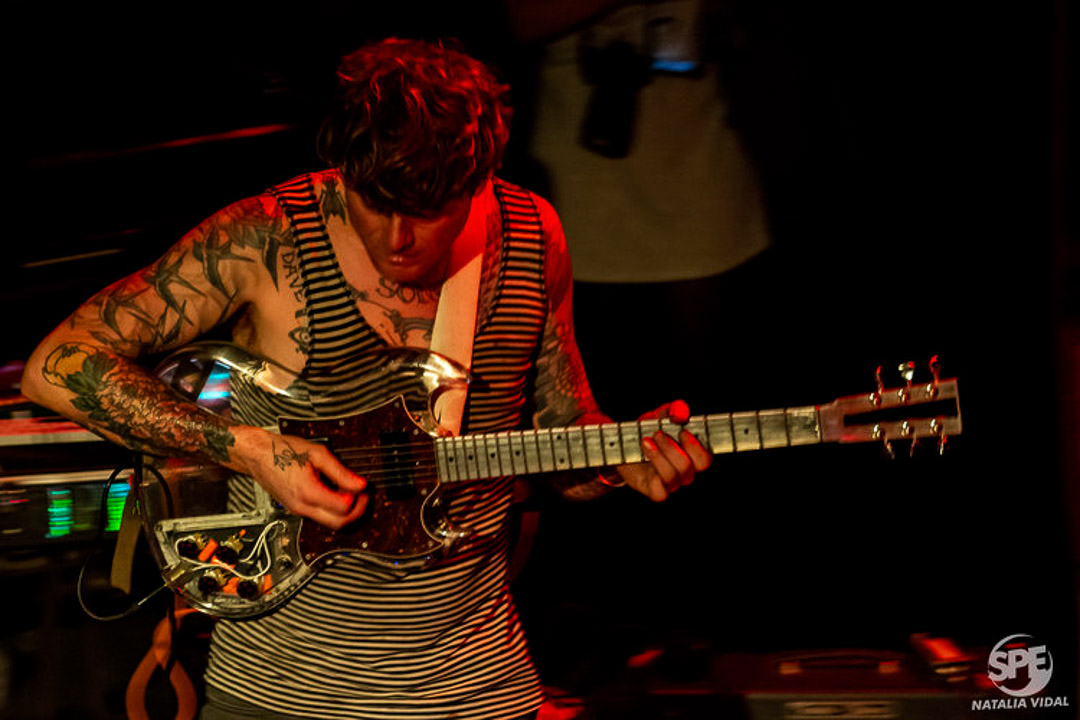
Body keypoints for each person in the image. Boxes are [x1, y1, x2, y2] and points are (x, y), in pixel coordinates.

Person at [20, 38, 711, 720]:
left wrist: (621, 460)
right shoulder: (268, 238)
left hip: (474, 691)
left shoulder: (533, 235)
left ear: (477, 180)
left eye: (427, 210)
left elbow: (566, 441)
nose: (397, 238)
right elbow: (56, 365)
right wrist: (250, 449)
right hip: (278, 697)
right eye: (374, 204)